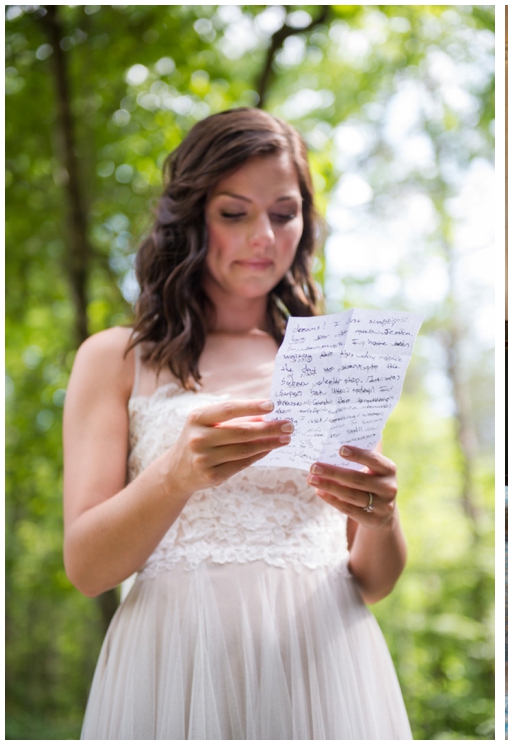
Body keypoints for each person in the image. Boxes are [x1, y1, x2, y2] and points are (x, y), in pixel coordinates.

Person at [62, 108, 412, 739]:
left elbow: (373, 581)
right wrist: (174, 476)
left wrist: (382, 516)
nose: (264, 236)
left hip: (323, 666)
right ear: (192, 218)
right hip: (171, 667)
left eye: (284, 213)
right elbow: (87, 569)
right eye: (235, 213)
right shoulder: (116, 357)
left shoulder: (337, 357)